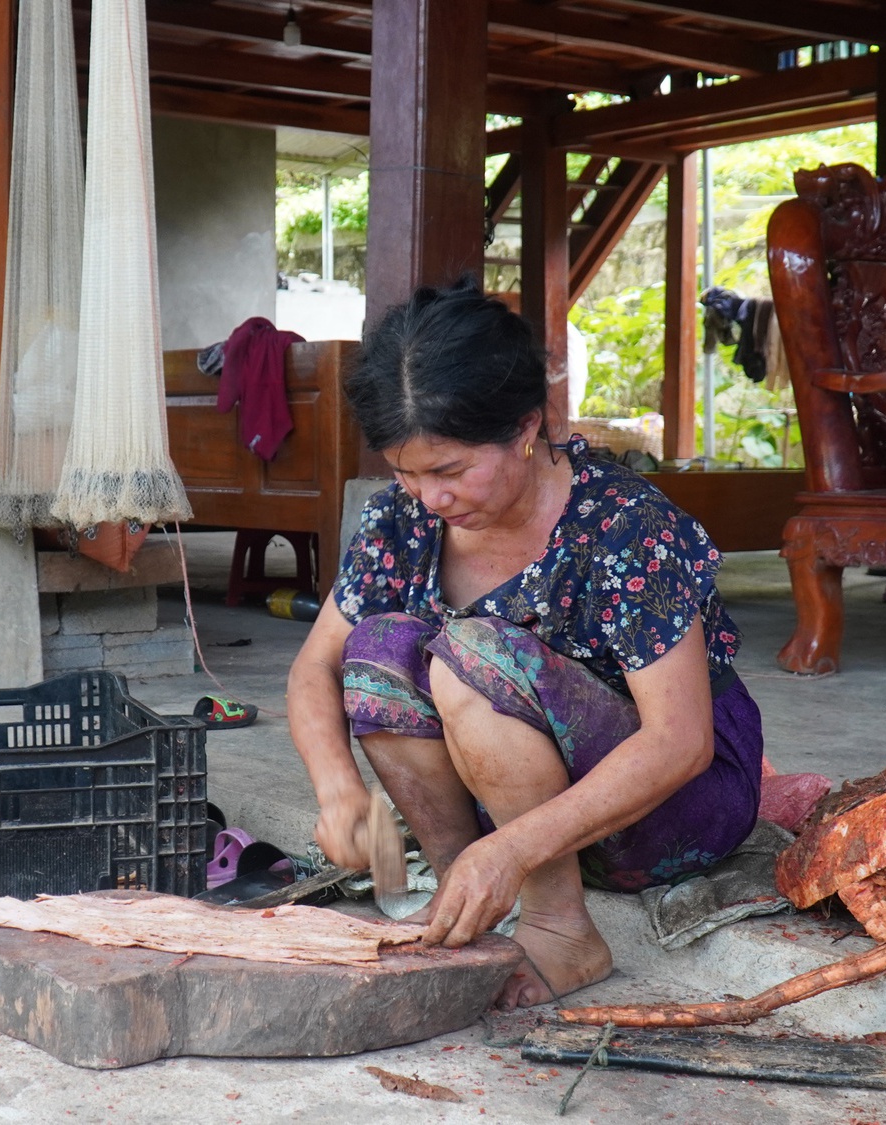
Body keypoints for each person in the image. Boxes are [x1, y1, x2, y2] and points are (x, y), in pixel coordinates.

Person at [286, 278, 764, 1009]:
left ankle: (559, 926)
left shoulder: (623, 525)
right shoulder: (403, 518)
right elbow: (316, 664)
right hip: (506, 816)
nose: (428, 497)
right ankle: (465, 896)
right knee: (379, 649)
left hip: (668, 814)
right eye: (404, 472)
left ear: (525, 428)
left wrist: (509, 849)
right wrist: (337, 790)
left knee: (473, 657)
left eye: (447, 469)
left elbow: (679, 741)